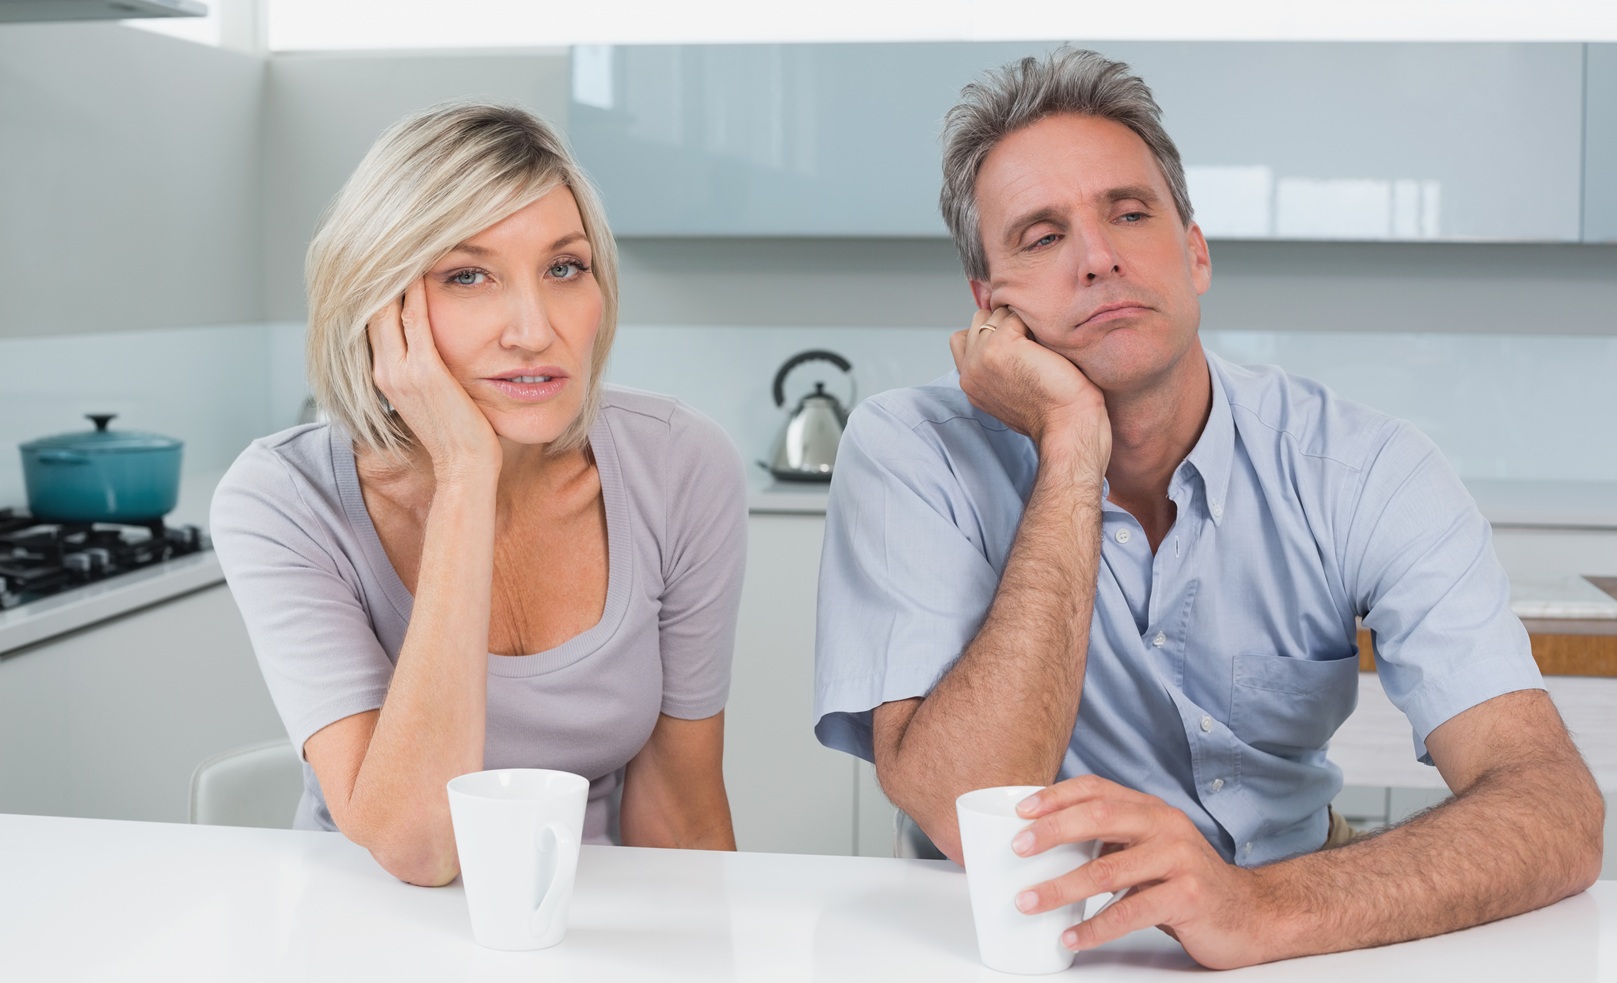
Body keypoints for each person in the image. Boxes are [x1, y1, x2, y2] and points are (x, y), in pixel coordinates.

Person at [813, 48, 1603, 968]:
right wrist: (1071, 444)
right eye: (1041, 236)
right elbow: (964, 804)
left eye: (1129, 212)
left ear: (1193, 251)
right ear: (991, 309)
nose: (1099, 257)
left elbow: (1553, 808)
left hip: (1294, 921)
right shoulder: (911, 451)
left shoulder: (1364, 468)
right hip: (1011, 941)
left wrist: (1255, 906)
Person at [212, 103, 746, 886]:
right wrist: (466, 475)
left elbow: (681, 816)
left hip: (591, 925)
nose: (534, 329)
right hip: (360, 929)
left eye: (565, 267)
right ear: (379, 308)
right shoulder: (282, 500)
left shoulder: (680, 463)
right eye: (468, 275)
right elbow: (419, 845)